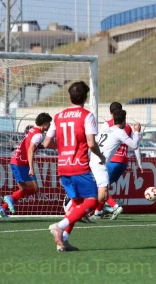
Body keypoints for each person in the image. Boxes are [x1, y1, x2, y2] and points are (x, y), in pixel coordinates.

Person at [43, 81, 107, 252]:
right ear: (85, 98)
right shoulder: (87, 116)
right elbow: (91, 143)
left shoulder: (58, 116)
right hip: (79, 166)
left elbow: (47, 142)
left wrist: (64, 146)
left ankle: (63, 240)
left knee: (77, 204)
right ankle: (60, 226)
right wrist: (101, 156)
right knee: (93, 201)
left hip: (63, 167)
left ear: (69, 96)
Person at [94, 102, 143, 220]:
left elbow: (95, 143)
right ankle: (100, 210)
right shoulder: (126, 128)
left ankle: (107, 208)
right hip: (122, 162)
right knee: (103, 187)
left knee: (100, 188)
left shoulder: (107, 126)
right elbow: (135, 146)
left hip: (106, 161)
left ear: (111, 114)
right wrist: (139, 163)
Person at [0, 113, 52, 217]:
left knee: (24, 190)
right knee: (34, 189)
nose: (50, 125)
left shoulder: (32, 130)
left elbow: (33, 146)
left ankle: (2, 208)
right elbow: (30, 150)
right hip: (22, 164)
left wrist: (54, 146)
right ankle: (10, 198)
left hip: (15, 161)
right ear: (44, 124)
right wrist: (31, 168)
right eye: (49, 123)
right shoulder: (39, 134)